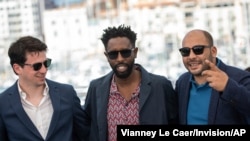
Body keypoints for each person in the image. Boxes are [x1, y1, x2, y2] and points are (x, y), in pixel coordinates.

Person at [82, 24, 178, 141]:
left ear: (135, 52)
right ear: (107, 56)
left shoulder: (160, 86)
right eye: (113, 54)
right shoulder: (96, 88)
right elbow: (87, 129)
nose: (120, 59)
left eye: (125, 52)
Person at [0, 36, 86, 141]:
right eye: (37, 66)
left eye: (46, 63)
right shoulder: (2, 104)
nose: (44, 70)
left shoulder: (67, 94)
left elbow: (85, 134)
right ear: (17, 68)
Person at [176, 29, 250, 125]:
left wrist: (228, 87)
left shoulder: (239, 78)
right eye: (185, 51)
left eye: (198, 50)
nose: (191, 56)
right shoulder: (182, 82)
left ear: (213, 51)